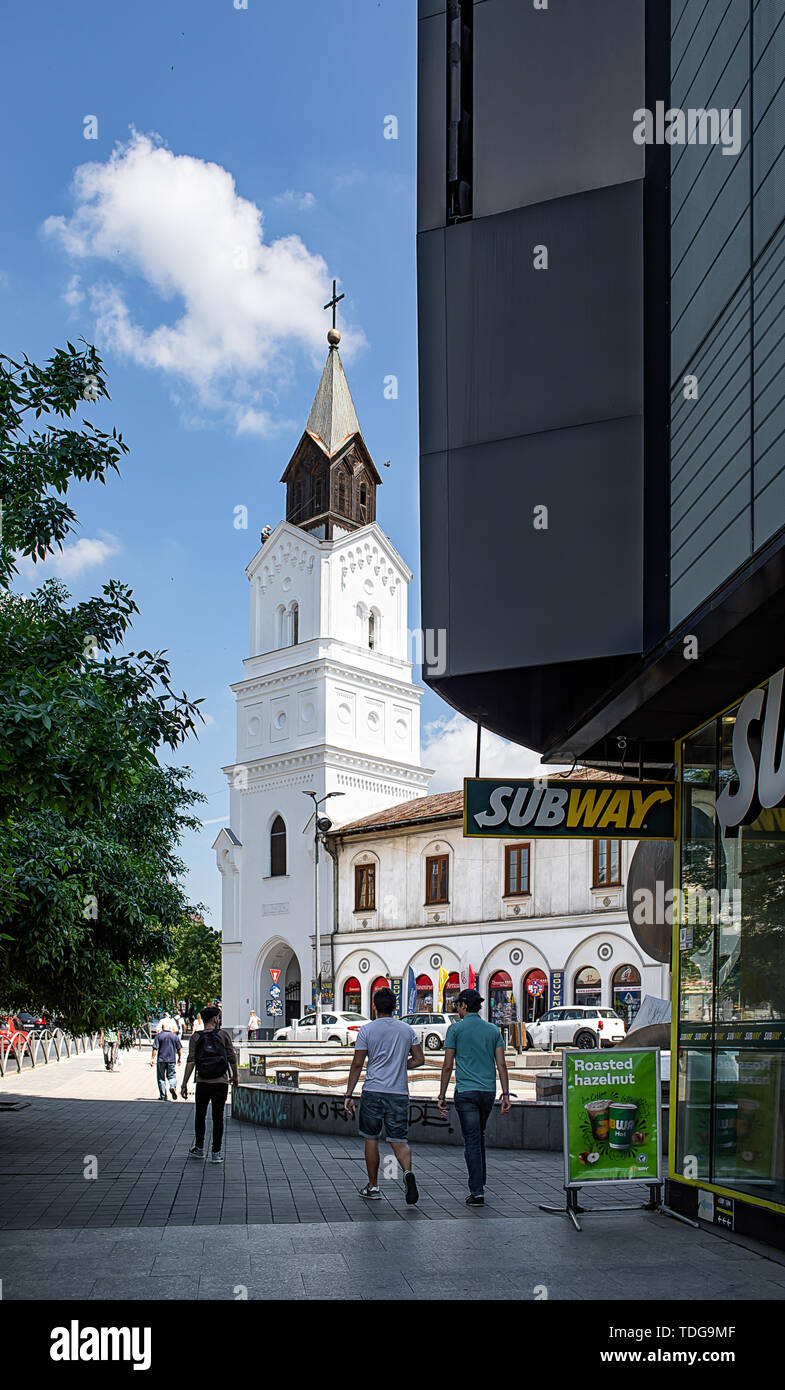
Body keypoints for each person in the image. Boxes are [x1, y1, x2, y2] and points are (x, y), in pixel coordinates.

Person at [344, 987, 424, 1204]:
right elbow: (419, 1059)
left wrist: (349, 1093)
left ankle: (373, 1186)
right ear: (394, 1007)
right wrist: (400, 1065)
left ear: (374, 1006)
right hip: (398, 1093)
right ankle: (407, 1173)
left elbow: (358, 1063)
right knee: (399, 1140)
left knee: (371, 1138)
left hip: (373, 1092)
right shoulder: (407, 1030)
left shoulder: (367, 1030)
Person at [437, 989, 512, 1205]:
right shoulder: (492, 1030)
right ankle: (480, 1181)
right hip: (487, 1092)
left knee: (471, 1139)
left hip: (466, 1093)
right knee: (478, 1136)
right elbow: (502, 1064)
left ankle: (477, 1190)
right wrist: (505, 1094)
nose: (456, 1009)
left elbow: (447, 1065)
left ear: (463, 1005)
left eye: (457, 1005)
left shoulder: (455, 1029)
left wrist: (441, 1094)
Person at [180, 1006, 239, 1162]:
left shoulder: (196, 1037)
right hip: (221, 1082)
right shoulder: (223, 1035)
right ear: (215, 1019)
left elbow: (191, 1061)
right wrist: (235, 1077)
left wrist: (184, 1083)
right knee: (218, 1117)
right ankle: (216, 1153)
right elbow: (232, 1058)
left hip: (202, 1082)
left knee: (200, 1115)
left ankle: (199, 1148)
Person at [151, 1021, 182, 1100]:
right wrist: (179, 1058)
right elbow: (179, 1049)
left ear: (162, 1027)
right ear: (170, 1028)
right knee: (172, 1076)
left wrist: (152, 1058)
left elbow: (155, 1048)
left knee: (161, 1078)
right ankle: (172, 1086)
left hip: (161, 1060)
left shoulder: (159, 1036)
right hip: (171, 1059)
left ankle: (163, 1096)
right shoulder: (174, 1036)